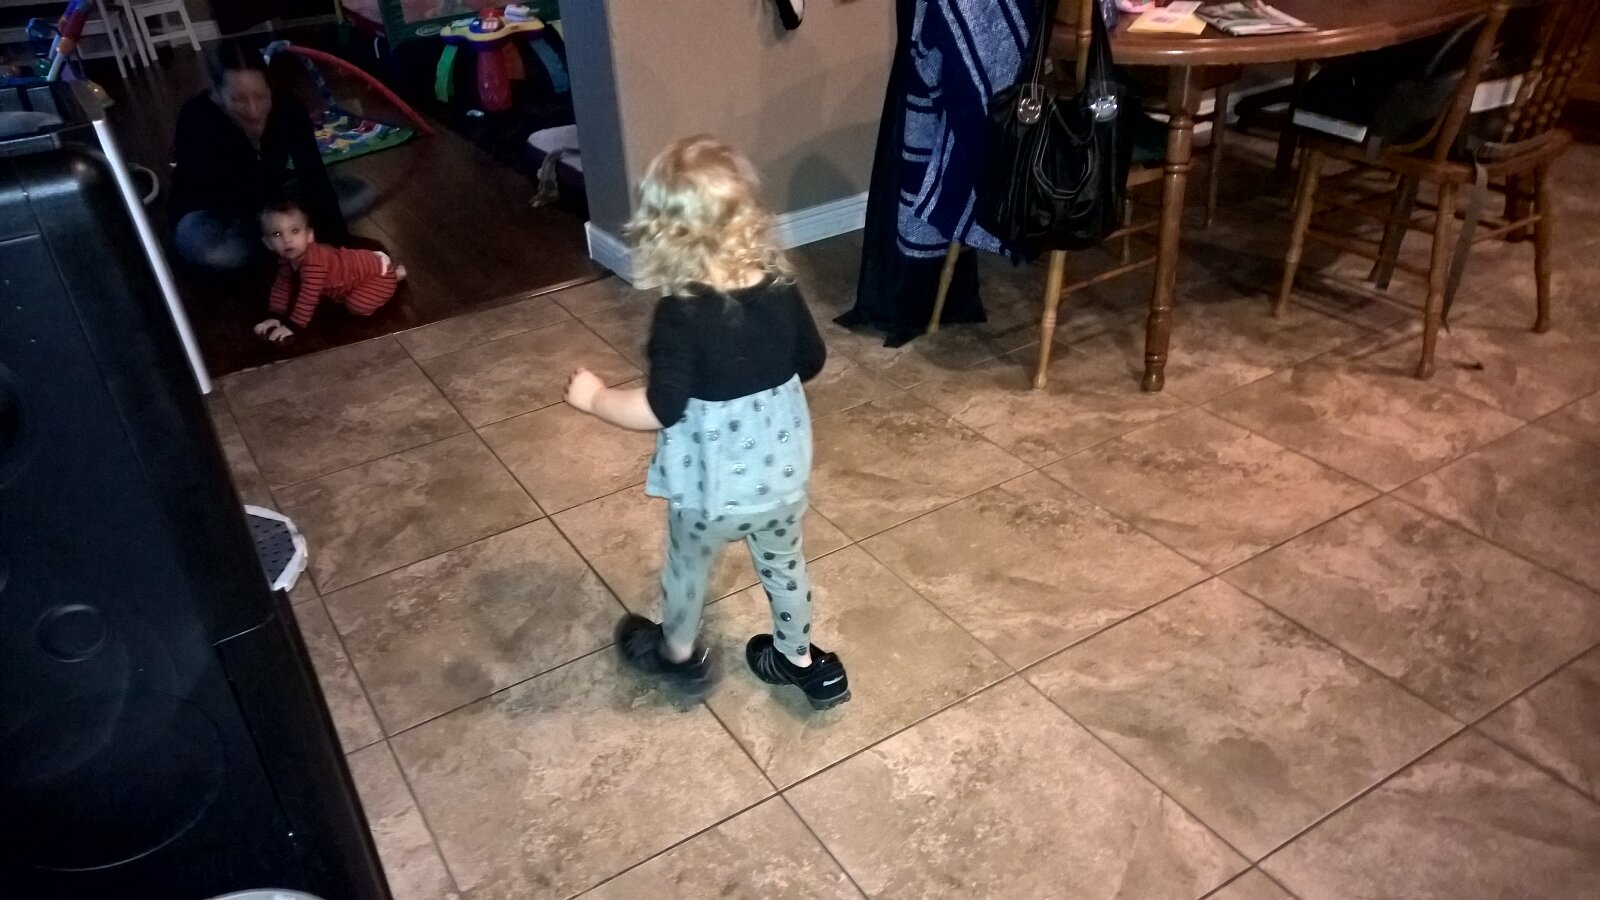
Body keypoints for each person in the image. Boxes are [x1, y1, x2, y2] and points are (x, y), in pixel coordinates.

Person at [563, 136, 851, 711]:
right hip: (782, 482)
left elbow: (660, 408)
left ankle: (678, 654)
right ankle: (800, 661)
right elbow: (812, 360)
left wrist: (596, 399)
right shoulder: (780, 285)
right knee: (784, 565)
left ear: (665, 233)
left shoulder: (680, 314)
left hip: (709, 495)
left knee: (688, 566)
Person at [170, 40, 374, 272]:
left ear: (270, 86)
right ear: (217, 92)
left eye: (261, 96)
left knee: (361, 191)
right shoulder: (196, 118)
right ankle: (291, 240)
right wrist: (283, 226)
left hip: (273, 194)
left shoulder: (288, 107)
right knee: (212, 253)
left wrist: (342, 250)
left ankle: (284, 241)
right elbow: (226, 193)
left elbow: (313, 174)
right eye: (238, 100)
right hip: (215, 211)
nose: (254, 110)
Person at [253, 198, 404, 342]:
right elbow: (282, 288)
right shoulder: (287, 261)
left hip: (377, 275)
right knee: (340, 295)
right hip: (362, 271)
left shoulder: (314, 263)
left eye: (295, 231)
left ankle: (392, 280)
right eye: (277, 234)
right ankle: (391, 277)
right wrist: (275, 315)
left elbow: (308, 297)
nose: (287, 240)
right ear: (268, 243)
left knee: (356, 305)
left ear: (309, 236)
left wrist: (293, 327)